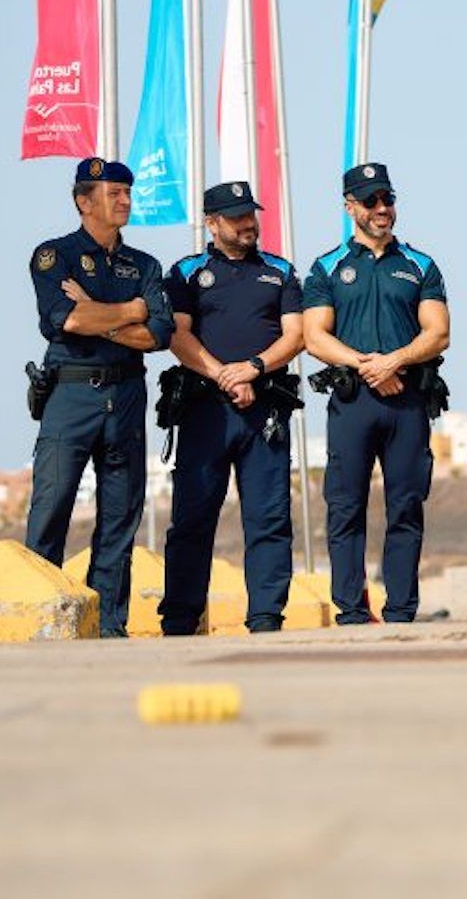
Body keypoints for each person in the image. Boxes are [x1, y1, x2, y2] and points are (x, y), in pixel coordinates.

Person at [23, 159, 174, 638]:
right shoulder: (54, 256)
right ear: (83, 201)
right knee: (52, 508)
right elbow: (62, 320)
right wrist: (129, 311)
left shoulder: (145, 265)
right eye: (114, 194)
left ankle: (110, 623)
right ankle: (44, 617)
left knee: (120, 516)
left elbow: (159, 334)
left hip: (126, 393)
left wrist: (96, 311)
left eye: (128, 193)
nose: (126, 201)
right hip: (71, 392)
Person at [303, 163, 450, 625]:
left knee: (406, 506)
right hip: (353, 403)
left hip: (407, 402)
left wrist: (395, 361)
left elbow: (439, 332)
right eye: (371, 202)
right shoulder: (327, 267)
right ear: (350, 208)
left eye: (388, 199)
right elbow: (314, 336)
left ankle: (402, 610)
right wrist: (367, 365)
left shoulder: (420, 265)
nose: (382, 209)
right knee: (345, 508)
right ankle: (350, 610)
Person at [158, 182, 305, 635]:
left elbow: (295, 335)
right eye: (237, 216)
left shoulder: (279, 271)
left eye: (251, 215)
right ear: (212, 223)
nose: (248, 224)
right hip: (206, 411)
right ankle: (181, 619)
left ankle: (265, 617)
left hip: (265, 411)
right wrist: (224, 374)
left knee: (269, 518)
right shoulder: (185, 272)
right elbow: (177, 336)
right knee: (193, 518)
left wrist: (253, 370)